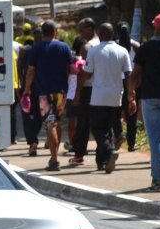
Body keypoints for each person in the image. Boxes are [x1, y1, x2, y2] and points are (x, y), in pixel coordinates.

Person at [130, 14, 160, 191]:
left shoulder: (145, 47)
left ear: (154, 27)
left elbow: (135, 74)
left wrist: (130, 94)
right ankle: (156, 176)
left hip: (150, 97)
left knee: (156, 139)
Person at [78, 22, 131, 174]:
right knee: (107, 128)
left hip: (98, 97)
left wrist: (78, 89)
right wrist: (131, 94)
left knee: (97, 128)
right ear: (113, 34)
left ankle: (109, 149)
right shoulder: (122, 51)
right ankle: (102, 162)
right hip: (116, 97)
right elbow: (128, 74)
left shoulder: (94, 51)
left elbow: (87, 73)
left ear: (100, 35)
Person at [22, 21, 74, 171]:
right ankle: (53, 156)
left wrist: (27, 89)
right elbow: (71, 68)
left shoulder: (36, 48)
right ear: (55, 32)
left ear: (42, 33)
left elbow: (31, 71)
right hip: (60, 92)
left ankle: (55, 160)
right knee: (56, 122)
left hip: (43, 93)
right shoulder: (63, 47)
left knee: (50, 124)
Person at [68, 18, 99, 165]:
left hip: (87, 88)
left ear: (90, 29)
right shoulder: (101, 43)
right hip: (100, 88)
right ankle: (105, 152)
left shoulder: (86, 47)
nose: (79, 33)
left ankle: (79, 155)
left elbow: (84, 72)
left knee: (83, 124)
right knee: (99, 122)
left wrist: (77, 93)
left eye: (81, 30)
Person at [115, 22, 139, 152]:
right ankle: (131, 143)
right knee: (132, 114)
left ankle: (118, 135)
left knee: (116, 111)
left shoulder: (114, 45)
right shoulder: (135, 46)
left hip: (117, 82)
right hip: (132, 82)